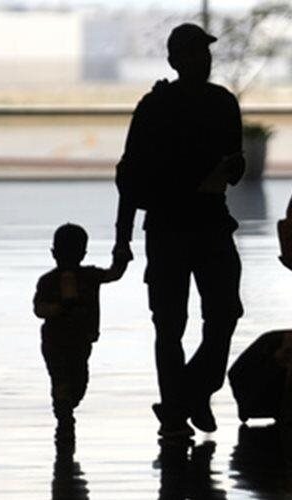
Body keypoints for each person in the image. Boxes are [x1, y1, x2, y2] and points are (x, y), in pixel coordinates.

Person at [112, 23, 245, 438]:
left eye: (204, 53)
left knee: (206, 317)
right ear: (174, 60)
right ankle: (189, 396)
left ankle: (180, 399)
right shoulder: (172, 106)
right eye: (194, 53)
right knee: (189, 321)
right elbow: (130, 175)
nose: (202, 60)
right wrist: (121, 239)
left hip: (182, 226)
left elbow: (129, 176)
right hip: (191, 225)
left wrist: (123, 238)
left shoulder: (172, 106)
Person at [33, 223, 127, 449]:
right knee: (63, 377)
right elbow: (39, 309)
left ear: (53, 252)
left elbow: (113, 274)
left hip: (76, 340)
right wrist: (59, 309)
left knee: (75, 380)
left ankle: (65, 406)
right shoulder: (64, 279)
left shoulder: (87, 276)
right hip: (59, 340)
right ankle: (64, 414)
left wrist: (121, 258)